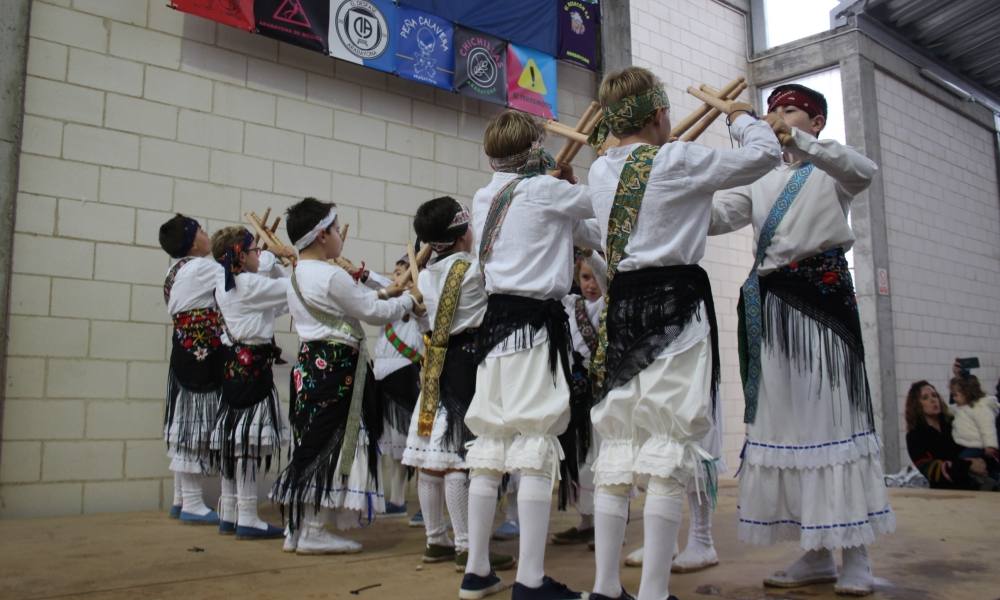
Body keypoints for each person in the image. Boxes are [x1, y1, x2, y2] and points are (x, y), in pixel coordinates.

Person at [585, 66, 781, 600]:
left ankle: (605, 588)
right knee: (670, 445)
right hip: (674, 305)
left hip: (623, 310)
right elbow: (766, 156)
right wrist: (741, 116)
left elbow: (685, 215)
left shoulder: (601, 172)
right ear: (657, 114)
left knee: (621, 443)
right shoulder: (676, 159)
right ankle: (652, 593)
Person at [710, 83, 892, 596]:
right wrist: (668, 196)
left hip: (824, 306)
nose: (778, 117)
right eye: (772, 110)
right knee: (791, 428)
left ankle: (855, 552)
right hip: (773, 310)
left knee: (835, 419)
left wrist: (797, 139)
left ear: (816, 121)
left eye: (790, 110)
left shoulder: (831, 170)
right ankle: (814, 551)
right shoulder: (761, 175)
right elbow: (720, 216)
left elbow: (865, 170)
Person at [460, 110, 598, 600]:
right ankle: (531, 580)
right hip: (535, 327)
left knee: (493, 442)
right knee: (536, 442)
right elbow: (602, 206)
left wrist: (555, 181)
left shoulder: (485, 193)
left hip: (494, 331)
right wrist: (570, 180)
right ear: (534, 150)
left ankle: (477, 570)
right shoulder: (544, 190)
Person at [272, 197, 422, 555]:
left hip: (310, 365)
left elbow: (355, 303)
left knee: (312, 441)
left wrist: (388, 291)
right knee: (331, 442)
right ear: (322, 235)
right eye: (336, 229)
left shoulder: (296, 274)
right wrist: (408, 300)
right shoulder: (330, 274)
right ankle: (310, 529)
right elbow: (370, 311)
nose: (341, 236)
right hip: (337, 366)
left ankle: (298, 527)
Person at [402, 196, 513, 573]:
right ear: (465, 230)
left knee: (429, 457)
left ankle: (436, 540)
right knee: (457, 461)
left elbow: (421, 321)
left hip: (433, 363)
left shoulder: (427, 276)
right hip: (465, 362)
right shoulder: (476, 269)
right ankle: (467, 546)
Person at [209, 226, 293, 539]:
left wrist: (272, 259)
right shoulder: (247, 284)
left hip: (234, 368)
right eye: (254, 249)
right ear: (240, 255)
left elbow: (275, 303)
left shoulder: (227, 282)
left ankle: (229, 512)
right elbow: (294, 289)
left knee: (235, 441)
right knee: (247, 444)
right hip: (252, 373)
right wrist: (289, 258)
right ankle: (247, 516)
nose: (259, 253)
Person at [159, 214, 224, 525]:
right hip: (199, 353)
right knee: (194, 425)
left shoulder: (175, 269)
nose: (206, 233)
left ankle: (180, 498)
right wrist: (263, 257)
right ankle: (193, 504)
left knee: (185, 421)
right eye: (201, 230)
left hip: (185, 349)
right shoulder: (202, 267)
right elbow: (237, 278)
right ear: (192, 242)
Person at [551, 251, 607, 547]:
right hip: (575, 392)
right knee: (576, 456)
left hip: (600, 391)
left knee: (601, 456)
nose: (591, 284)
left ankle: (610, 524)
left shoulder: (607, 304)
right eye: (585, 277)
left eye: (596, 277)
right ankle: (586, 521)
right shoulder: (572, 305)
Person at [372, 255, 425, 518]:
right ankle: (392, 498)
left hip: (402, 374)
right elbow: (377, 283)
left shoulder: (418, 303)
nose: (395, 278)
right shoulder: (390, 302)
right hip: (381, 375)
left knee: (403, 442)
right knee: (387, 443)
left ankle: (399, 497)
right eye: (394, 273)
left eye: (400, 273)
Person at [904, 381, 993, 490]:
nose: (933, 400)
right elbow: (931, 470)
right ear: (916, 405)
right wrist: (968, 465)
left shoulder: (953, 422)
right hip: (948, 494)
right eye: (925, 398)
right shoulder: (915, 436)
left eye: (934, 395)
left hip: (980, 483)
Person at [949, 376, 1000, 479]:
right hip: (969, 444)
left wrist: (990, 445)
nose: (953, 398)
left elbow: (987, 426)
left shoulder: (979, 408)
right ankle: (993, 478)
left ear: (967, 393)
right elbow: (950, 410)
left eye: (955, 395)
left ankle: (994, 479)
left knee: (963, 460)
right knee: (987, 467)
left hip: (978, 445)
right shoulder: (962, 407)